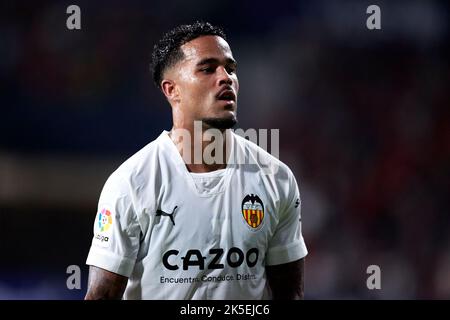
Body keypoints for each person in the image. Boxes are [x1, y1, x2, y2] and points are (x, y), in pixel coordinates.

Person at [84, 21, 307, 300]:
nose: (226, 77)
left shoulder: (276, 178)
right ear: (171, 90)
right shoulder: (132, 183)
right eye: (207, 68)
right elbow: (102, 296)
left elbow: (290, 294)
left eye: (231, 68)